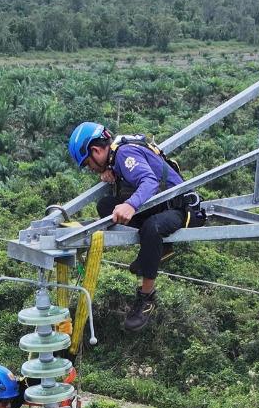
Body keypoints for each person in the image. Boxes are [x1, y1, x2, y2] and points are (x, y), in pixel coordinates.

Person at [67, 121, 205, 332]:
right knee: (106, 206)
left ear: (95, 150)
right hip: (160, 206)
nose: (91, 169)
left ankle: (146, 298)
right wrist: (110, 175)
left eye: (88, 164)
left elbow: (149, 181)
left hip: (181, 209)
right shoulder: (116, 158)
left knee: (152, 227)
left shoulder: (124, 153)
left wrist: (131, 205)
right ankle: (154, 251)